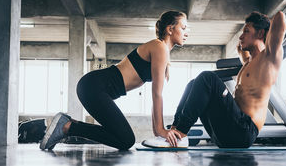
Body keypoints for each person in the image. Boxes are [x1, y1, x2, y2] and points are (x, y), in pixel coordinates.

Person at [40, 10, 189, 151]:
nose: (186, 33)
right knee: (125, 140)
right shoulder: (159, 46)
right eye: (183, 28)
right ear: (170, 29)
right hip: (95, 87)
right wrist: (160, 130)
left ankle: (69, 124)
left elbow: (156, 95)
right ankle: (67, 127)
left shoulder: (161, 50)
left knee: (121, 137)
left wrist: (158, 131)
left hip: (95, 87)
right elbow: (157, 94)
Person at [143, 10, 286, 148]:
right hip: (226, 132)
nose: (241, 36)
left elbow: (280, 17)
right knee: (193, 83)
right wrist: (248, 34)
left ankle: (181, 134)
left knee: (208, 78)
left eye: (246, 31)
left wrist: (264, 26)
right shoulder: (248, 63)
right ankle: (173, 132)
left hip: (244, 131)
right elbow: (240, 47)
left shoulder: (269, 58)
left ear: (261, 33)